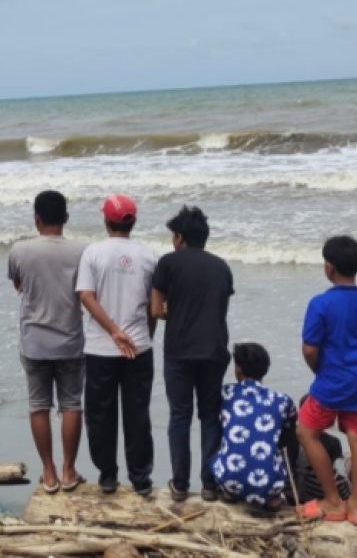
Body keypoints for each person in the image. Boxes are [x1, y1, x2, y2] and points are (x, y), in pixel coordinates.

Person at [296, 235, 357, 526]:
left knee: (306, 431)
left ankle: (333, 501)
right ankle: (356, 506)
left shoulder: (321, 303)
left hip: (331, 381)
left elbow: (310, 348)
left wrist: (318, 369)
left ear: (329, 268)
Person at [77, 194, 159, 496]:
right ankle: (141, 478)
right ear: (133, 221)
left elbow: (86, 296)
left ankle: (108, 475)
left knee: (100, 414)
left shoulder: (93, 253)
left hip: (101, 347)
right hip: (138, 346)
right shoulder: (149, 256)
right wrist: (143, 335)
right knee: (138, 413)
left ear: (105, 221)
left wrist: (112, 331)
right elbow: (155, 307)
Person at [151, 205, 234, 502]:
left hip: (180, 350)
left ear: (180, 237)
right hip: (214, 348)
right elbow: (220, 308)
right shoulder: (222, 266)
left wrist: (173, 312)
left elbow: (155, 309)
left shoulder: (168, 263)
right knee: (210, 416)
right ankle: (210, 485)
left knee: (180, 415)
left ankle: (180, 485)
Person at [8, 190, 88, 493]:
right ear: (66, 219)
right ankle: (69, 471)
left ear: (36, 219)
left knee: (38, 405)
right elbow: (86, 290)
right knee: (71, 404)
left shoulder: (19, 250)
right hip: (70, 339)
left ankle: (49, 472)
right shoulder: (82, 250)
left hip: (34, 341)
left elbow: (19, 285)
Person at [212, 343, 297, 509]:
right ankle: (271, 496)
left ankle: (229, 492)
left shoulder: (225, 393)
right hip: (270, 482)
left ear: (238, 369)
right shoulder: (282, 400)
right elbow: (290, 438)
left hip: (230, 480)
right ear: (265, 370)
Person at [284, 399, 352, 505]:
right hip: (317, 497)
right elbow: (339, 476)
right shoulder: (332, 442)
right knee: (348, 461)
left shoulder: (287, 437)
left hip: (290, 495)